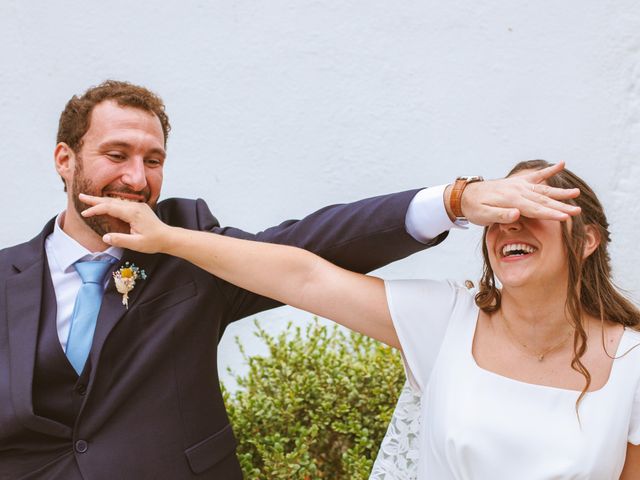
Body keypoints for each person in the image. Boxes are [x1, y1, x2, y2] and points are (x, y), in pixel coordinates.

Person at [0, 79, 578, 480]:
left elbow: (309, 245)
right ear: (64, 159)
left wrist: (454, 200)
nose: (136, 176)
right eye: (116, 154)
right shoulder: (6, 278)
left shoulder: (189, 242)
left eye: (152, 160)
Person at [80, 160, 640, 479]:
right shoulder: (447, 318)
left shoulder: (634, 362)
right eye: (499, 214)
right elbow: (303, 276)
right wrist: (168, 238)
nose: (509, 226)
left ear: (586, 239)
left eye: (533, 212)